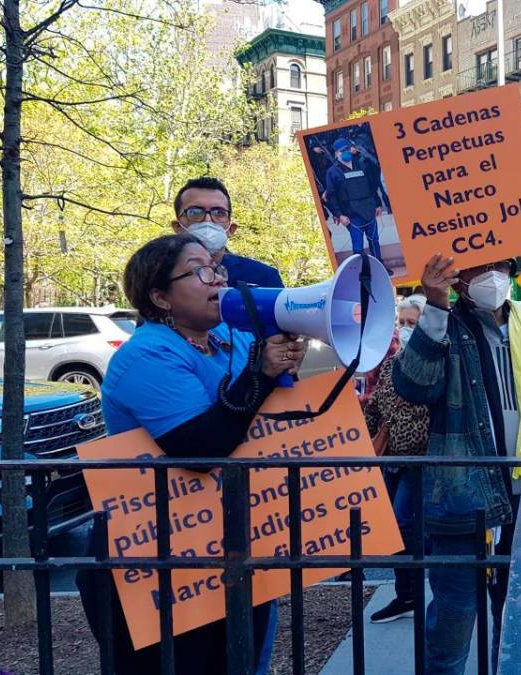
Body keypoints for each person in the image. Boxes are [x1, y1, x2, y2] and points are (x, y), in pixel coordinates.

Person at [78, 234, 304, 675]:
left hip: (221, 547)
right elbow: (200, 448)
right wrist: (260, 374)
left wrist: (276, 366)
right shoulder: (145, 355)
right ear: (160, 297)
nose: (217, 279)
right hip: (154, 563)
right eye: (199, 270)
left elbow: (250, 413)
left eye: (216, 268)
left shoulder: (228, 337)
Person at [392, 255, 521, 675]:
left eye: (499, 265)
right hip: (462, 498)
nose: (490, 276)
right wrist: (434, 305)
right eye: (475, 266)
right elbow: (413, 385)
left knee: (520, 622)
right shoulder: (444, 322)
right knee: (453, 621)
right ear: (457, 275)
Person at [364, 296, 431, 624]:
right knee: (396, 527)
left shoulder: (437, 362)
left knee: (404, 525)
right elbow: (377, 403)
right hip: (392, 458)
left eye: (412, 324)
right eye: (402, 323)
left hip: (420, 461)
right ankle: (407, 594)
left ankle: (410, 595)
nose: (405, 330)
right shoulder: (392, 362)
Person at [170, 176, 283, 288]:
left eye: (219, 212)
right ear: (177, 227)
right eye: (195, 212)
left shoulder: (264, 278)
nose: (207, 220)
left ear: (231, 229)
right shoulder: (158, 275)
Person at [324, 138, 389, 263]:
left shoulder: (362, 165)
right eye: (343, 150)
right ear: (337, 154)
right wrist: (339, 215)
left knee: (374, 240)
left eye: (348, 149)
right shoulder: (332, 172)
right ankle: (362, 273)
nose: (346, 152)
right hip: (352, 215)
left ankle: (380, 268)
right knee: (358, 246)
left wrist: (378, 204)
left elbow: (372, 187)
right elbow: (331, 196)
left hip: (369, 210)